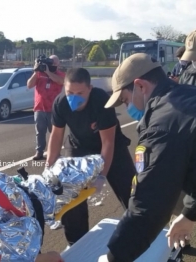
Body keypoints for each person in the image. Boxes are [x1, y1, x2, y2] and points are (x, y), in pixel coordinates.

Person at [99, 53, 196, 262]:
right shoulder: (188, 95)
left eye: (125, 100)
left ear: (140, 86)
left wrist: (114, 257)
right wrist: (189, 214)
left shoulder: (164, 123)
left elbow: (150, 201)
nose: (128, 108)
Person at [45, 68, 135, 248]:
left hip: (110, 146)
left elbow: (108, 142)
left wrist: (101, 175)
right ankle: (77, 243)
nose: (74, 97)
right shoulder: (60, 103)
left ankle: (140, 233)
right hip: (78, 146)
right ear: (64, 88)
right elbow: (56, 137)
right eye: (70, 92)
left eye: (80, 93)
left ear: (90, 89)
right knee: (70, 192)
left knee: (131, 192)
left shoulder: (101, 101)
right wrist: (49, 166)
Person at [27, 55, 65, 160]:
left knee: (55, 132)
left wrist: (48, 72)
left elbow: (61, 81)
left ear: (58, 64)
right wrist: (36, 71)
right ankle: (39, 151)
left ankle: (55, 152)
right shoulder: (39, 74)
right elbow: (29, 85)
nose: (50, 65)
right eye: (49, 63)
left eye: (53, 63)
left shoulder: (60, 74)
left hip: (54, 109)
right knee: (40, 131)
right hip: (39, 108)